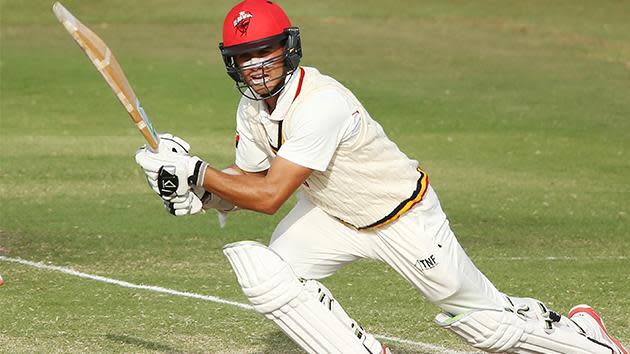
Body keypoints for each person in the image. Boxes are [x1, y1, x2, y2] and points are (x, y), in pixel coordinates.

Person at [134, 1, 628, 353]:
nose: (257, 66)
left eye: (267, 52)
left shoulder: (321, 102)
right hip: (331, 213)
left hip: (402, 218)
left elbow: (267, 197)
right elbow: (248, 178)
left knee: (484, 325)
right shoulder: (251, 107)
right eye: (245, 57)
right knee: (272, 277)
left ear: (288, 48)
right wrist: (201, 192)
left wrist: (199, 171)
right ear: (231, 63)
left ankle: (589, 338)